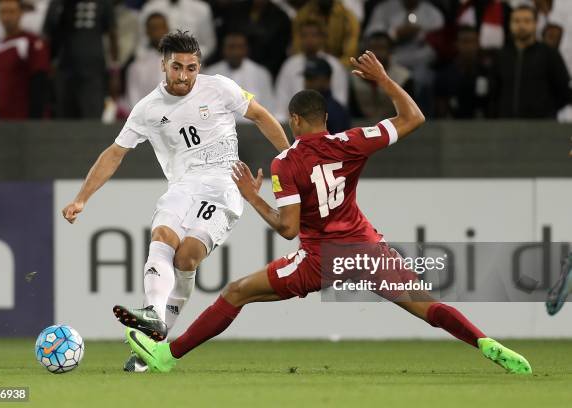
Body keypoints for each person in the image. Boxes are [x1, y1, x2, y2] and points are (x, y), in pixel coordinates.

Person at [123, 50, 532, 376]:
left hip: (319, 259)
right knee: (426, 305)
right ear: (326, 119)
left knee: (236, 292)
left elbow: (287, 229)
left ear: (296, 120)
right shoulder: (351, 141)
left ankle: (165, 357)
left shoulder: (287, 163)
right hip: (365, 249)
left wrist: (252, 196)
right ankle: (482, 341)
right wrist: (384, 80)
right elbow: (414, 118)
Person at [62, 31, 289, 372]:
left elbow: (260, 115)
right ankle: (152, 321)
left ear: (200, 66)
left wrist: (290, 158)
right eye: (177, 67)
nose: (184, 75)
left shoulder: (221, 88)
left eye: (191, 68)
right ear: (163, 65)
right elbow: (114, 153)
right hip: (181, 187)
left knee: (187, 257)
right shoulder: (147, 109)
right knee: (163, 237)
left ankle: (152, 335)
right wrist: (82, 198)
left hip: (224, 186)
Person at [489, 4, 571, 118]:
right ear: (510, 24)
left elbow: (564, 91)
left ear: (535, 24)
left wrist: (547, 111)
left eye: (527, 21)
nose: (521, 25)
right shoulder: (501, 56)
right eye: (516, 21)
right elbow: (494, 93)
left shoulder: (549, 54)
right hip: (506, 126)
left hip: (541, 127)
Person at [275, 19, 348, 120]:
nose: (309, 40)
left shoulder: (334, 65)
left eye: (314, 35)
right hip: (293, 125)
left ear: (322, 38)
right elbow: (281, 103)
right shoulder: (290, 65)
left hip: (326, 122)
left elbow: (341, 101)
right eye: (304, 36)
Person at [0, 0, 50, 119]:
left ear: (21, 13)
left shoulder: (31, 42)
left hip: (26, 120)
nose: (7, 17)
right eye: (3, 12)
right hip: (4, 121)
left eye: (11, 11)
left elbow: (40, 81)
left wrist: (35, 119)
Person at [204, 31, 276, 117]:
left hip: (253, 128)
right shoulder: (210, 74)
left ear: (246, 49)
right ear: (223, 49)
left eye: (240, 47)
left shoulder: (261, 74)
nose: (235, 52)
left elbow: (269, 110)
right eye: (231, 47)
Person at [126, 12, 169, 108]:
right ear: (147, 32)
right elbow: (133, 98)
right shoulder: (136, 66)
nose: (158, 32)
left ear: (167, 29)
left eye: (161, 27)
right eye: (154, 28)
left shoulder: (183, 62)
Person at [303, 56, 350, 133]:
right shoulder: (303, 108)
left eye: (312, 78)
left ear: (326, 79)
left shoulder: (335, 111)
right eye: (306, 78)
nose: (307, 83)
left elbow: (339, 144)